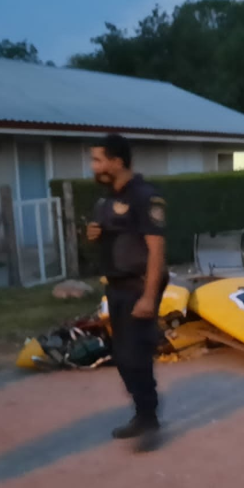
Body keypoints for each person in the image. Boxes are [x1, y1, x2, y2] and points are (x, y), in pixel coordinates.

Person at [86, 134, 168, 449]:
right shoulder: (106, 201)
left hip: (139, 286)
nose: (93, 166)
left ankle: (149, 419)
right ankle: (143, 412)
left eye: (97, 159)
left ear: (117, 161)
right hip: (116, 287)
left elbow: (156, 250)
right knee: (121, 356)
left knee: (136, 354)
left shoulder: (146, 197)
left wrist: (149, 297)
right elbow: (112, 239)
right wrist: (94, 235)